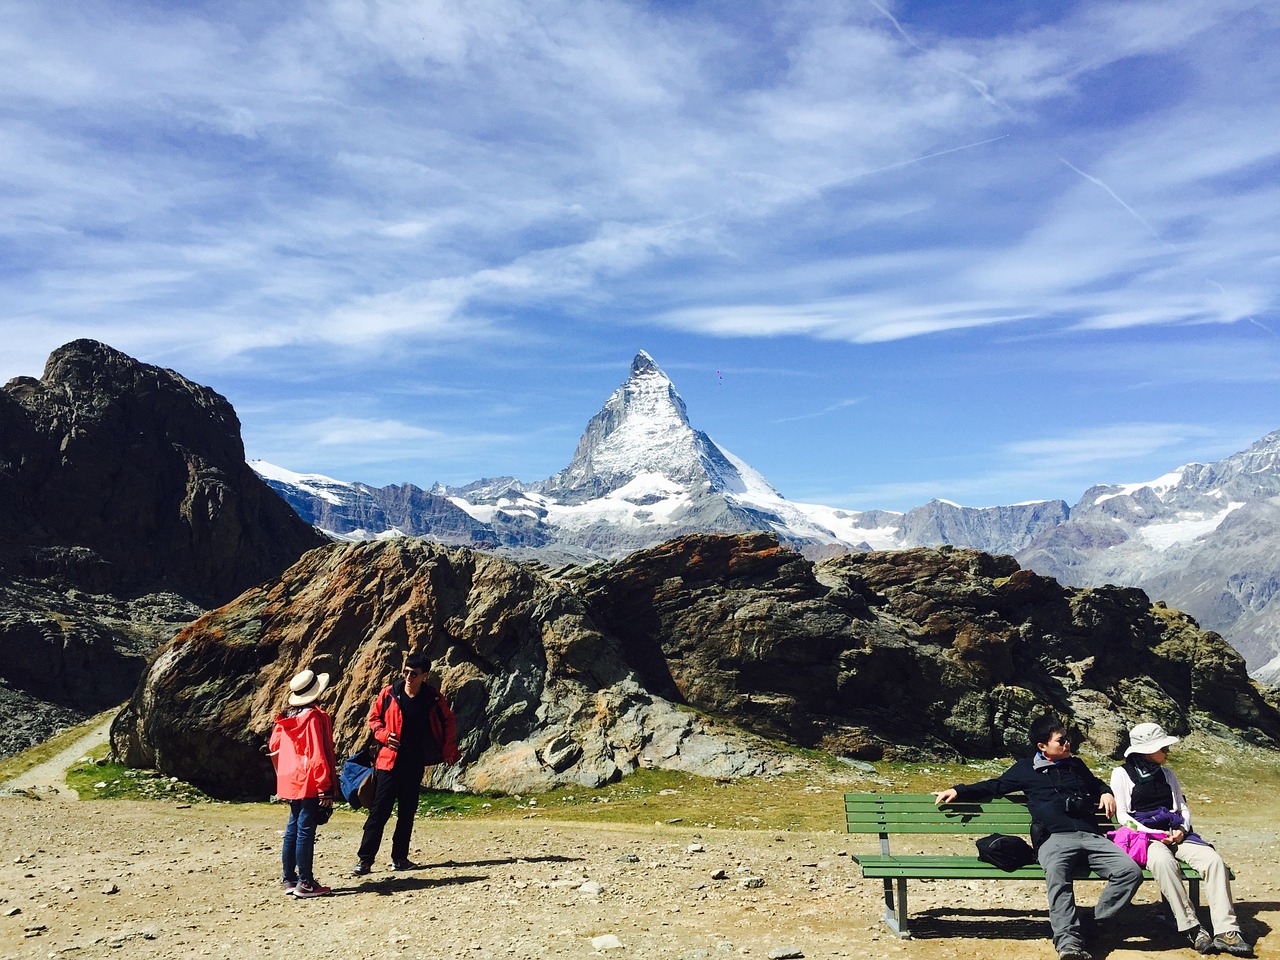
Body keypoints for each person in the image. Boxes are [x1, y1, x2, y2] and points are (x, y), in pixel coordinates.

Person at [933, 715, 1143, 960]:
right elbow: (995, 786)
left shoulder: (1077, 766)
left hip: (1091, 836)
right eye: (1061, 740)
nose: (1067, 744)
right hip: (1054, 839)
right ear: (1042, 747)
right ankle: (1068, 945)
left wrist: (1105, 792)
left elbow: (1095, 783)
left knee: (1129, 872)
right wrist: (959, 789)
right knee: (1058, 876)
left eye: (1067, 739)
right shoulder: (1025, 769)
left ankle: (1090, 924)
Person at [1110, 722, 1253, 956]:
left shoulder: (1168, 774)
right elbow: (1124, 816)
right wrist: (1154, 834)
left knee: (1213, 861)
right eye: (1162, 748)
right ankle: (1192, 927)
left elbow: (1181, 807)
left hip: (1176, 833)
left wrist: (1182, 830)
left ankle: (1227, 931)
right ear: (1146, 751)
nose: (1167, 752)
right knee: (1163, 863)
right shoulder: (1121, 774)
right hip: (1146, 838)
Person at [352, 652, 461, 875]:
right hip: (388, 762)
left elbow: (448, 720)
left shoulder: (433, 698)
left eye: (414, 673)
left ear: (425, 675)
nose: (408, 676)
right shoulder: (389, 693)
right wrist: (382, 734)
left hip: (414, 762)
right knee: (379, 812)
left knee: (407, 812)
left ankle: (399, 858)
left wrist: (448, 748)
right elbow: (374, 719)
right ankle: (365, 860)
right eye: (406, 672)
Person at [269, 667, 338, 898]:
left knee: (293, 828)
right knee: (305, 831)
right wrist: (325, 787)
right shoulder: (315, 718)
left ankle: (289, 878)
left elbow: (274, 748)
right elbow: (318, 753)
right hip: (309, 779)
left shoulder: (285, 718)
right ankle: (306, 883)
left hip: (291, 779)